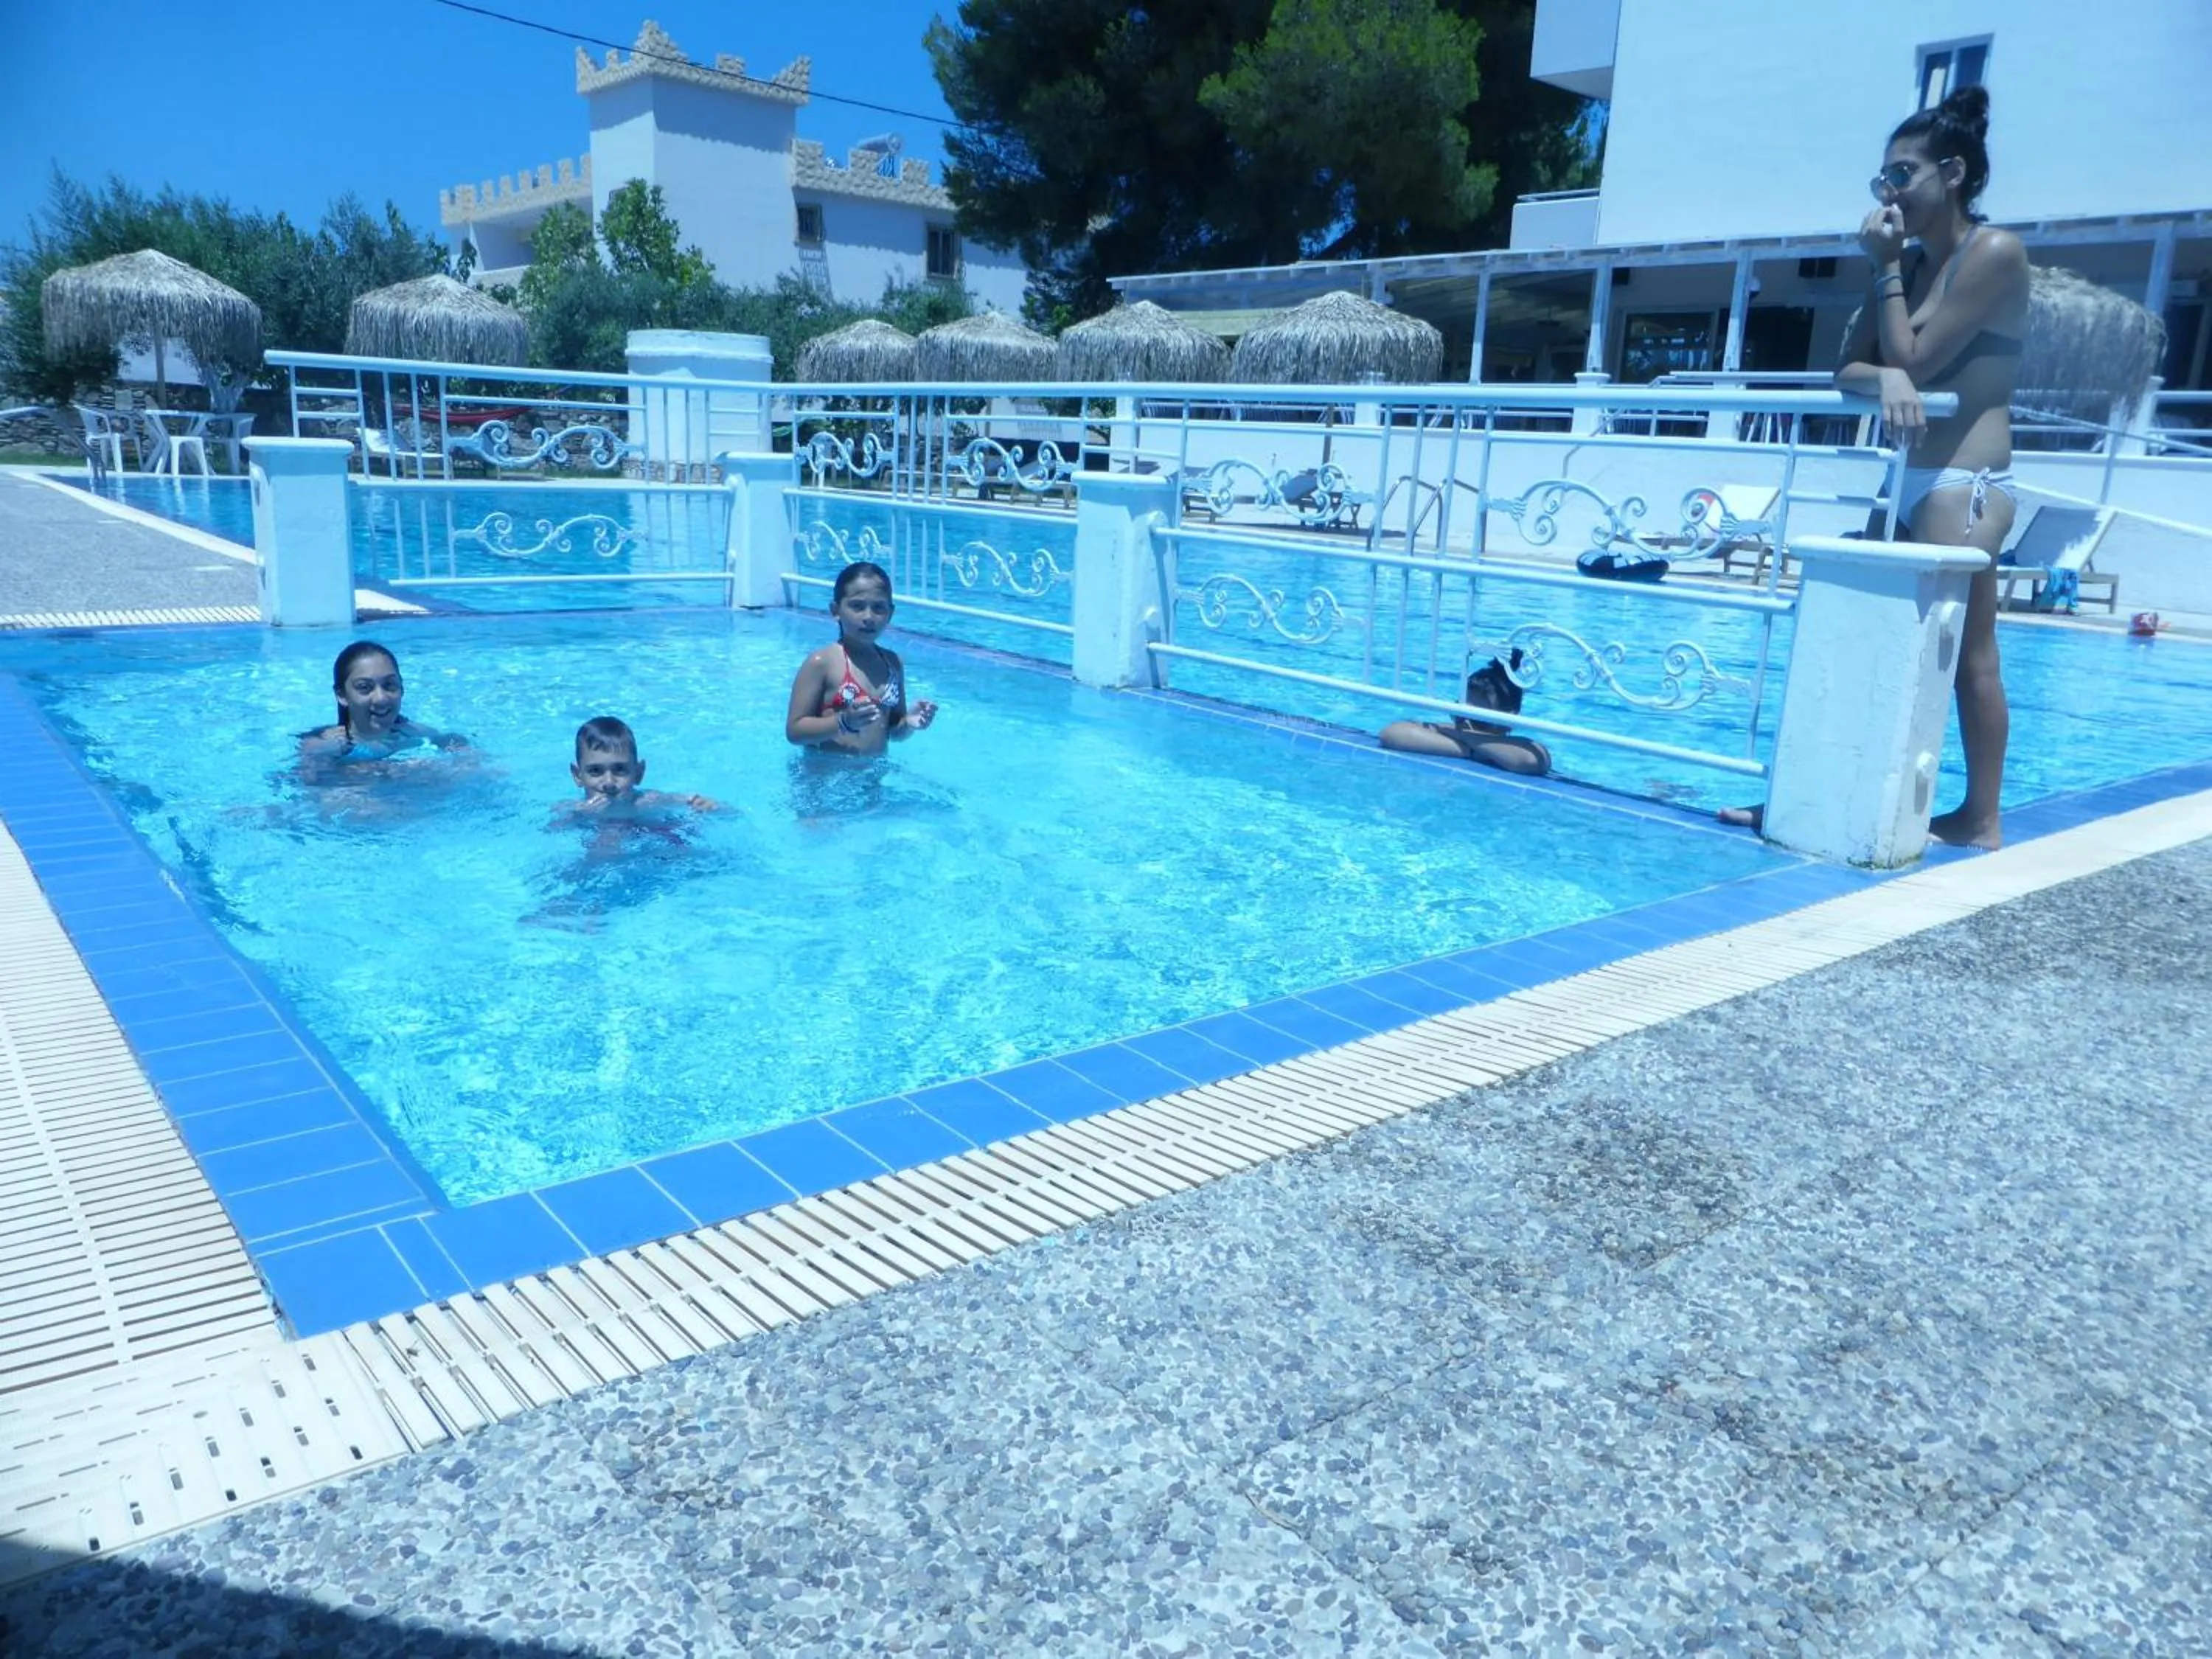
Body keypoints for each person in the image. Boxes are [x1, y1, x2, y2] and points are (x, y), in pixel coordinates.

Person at [1722, 86, 2027, 846]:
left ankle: (1981, 816)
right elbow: (1851, 368)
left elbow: (1918, 354)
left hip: (1965, 481)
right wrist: (1887, 375)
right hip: (1906, 477)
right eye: (1881, 179)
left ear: (1952, 173)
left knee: (1966, 657)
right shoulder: (1909, 264)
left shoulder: (1993, 253)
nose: (1888, 193)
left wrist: (1891, 305)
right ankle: (1819, 795)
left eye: (1901, 175)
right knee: (1860, 636)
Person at [784, 561, 939, 755]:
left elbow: (893, 731)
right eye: (857, 606)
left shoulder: (893, 664)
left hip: (873, 777)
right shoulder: (823, 663)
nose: (869, 617)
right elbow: (795, 731)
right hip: (826, 776)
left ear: (890, 614)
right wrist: (843, 722)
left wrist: (908, 723)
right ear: (836, 610)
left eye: (879, 608)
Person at [297, 640, 467, 773]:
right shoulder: (325, 747)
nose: (381, 698)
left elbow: (456, 745)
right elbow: (312, 791)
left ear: (402, 688)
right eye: (365, 687)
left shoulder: (414, 733)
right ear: (342, 696)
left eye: (389, 685)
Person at [1379, 649, 1551, 776]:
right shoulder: (1455, 732)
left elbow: (1533, 761)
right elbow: (1391, 734)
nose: (1464, 724)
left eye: (1478, 719)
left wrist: (1466, 739)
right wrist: (1470, 749)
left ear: (1508, 718)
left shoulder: (1519, 747)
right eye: (1460, 714)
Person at [557, 716, 718, 816]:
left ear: (639, 773)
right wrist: (581, 815)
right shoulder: (573, 811)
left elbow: (694, 801)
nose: (609, 782)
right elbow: (552, 830)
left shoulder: (647, 801)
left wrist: (703, 804)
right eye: (595, 771)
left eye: (620, 770)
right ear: (578, 776)